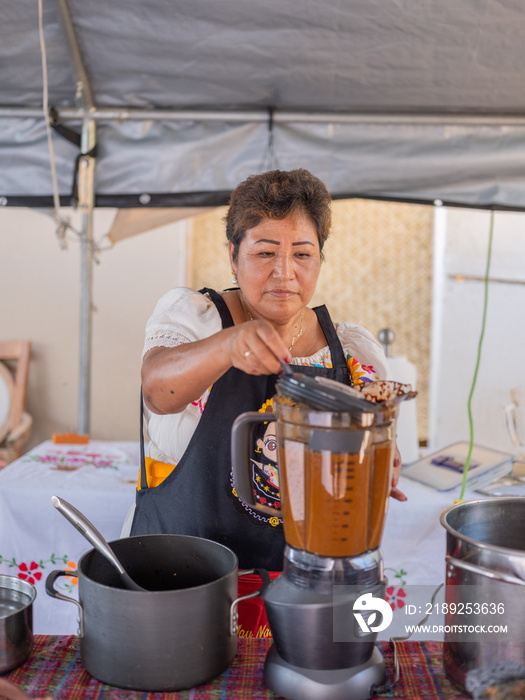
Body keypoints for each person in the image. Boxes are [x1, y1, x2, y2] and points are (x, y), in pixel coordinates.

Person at [129, 168, 404, 632]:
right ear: (233, 256)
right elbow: (157, 391)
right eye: (265, 253)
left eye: (302, 254)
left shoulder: (351, 350)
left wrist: (377, 454)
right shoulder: (196, 318)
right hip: (181, 577)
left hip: (300, 590)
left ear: (319, 260)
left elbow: (370, 446)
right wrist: (227, 346)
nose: (285, 273)